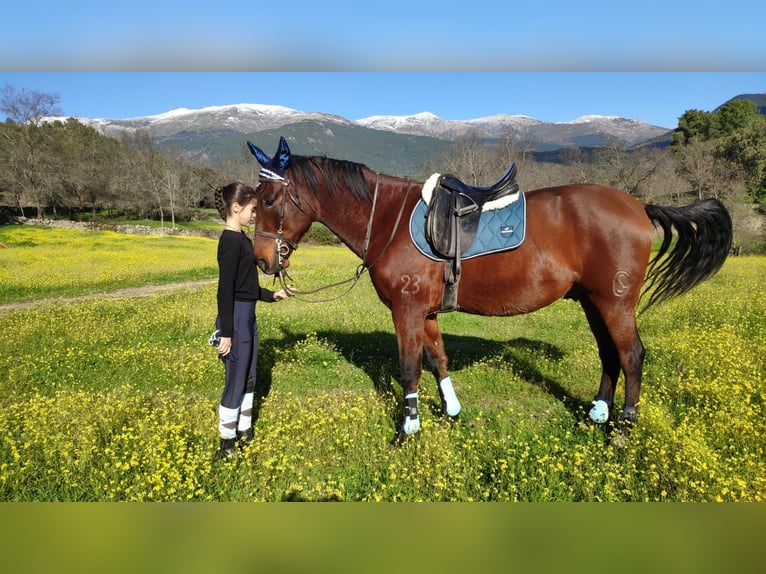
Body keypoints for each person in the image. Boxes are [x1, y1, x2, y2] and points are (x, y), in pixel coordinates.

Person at [212, 182, 291, 459]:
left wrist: (273, 296)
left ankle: (244, 430)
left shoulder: (243, 240)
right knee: (235, 380)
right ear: (236, 208)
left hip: (249, 316)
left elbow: (247, 287)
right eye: (252, 209)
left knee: (249, 377)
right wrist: (226, 332)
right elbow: (226, 290)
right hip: (235, 317)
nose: (256, 215)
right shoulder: (229, 242)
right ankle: (226, 442)